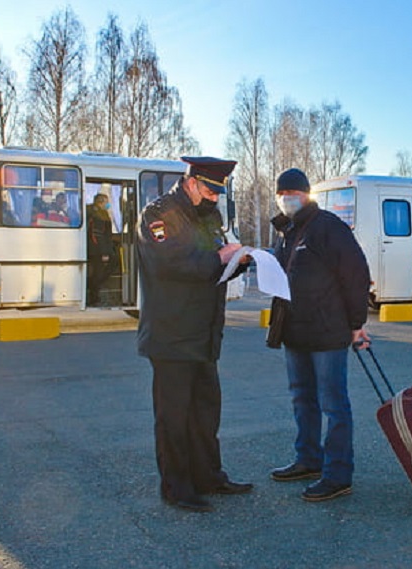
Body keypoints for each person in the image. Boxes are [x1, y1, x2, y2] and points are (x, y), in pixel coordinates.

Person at [135, 156, 252, 513]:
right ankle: (177, 487)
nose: (215, 198)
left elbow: (210, 270)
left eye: (219, 192)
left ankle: (208, 477)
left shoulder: (208, 216)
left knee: (205, 412)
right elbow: (173, 264)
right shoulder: (159, 215)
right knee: (174, 416)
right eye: (209, 190)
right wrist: (220, 258)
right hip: (171, 334)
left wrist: (236, 262)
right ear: (190, 182)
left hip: (202, 334)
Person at [268, 168, 371, 502]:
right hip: (295, 332)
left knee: (333, 404)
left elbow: (356, 275)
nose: (286, 200)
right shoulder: (286, 231)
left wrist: (356, 324)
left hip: (327, 333)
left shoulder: (328, 227)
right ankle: (308, 459)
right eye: (281, 194)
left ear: (306, 194)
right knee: (302, 399)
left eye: (292, 194)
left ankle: (338, 474)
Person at [86, 194, 114, 306]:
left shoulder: (95, 212)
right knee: (98, 273)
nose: (108, 204)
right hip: (97, 250)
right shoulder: (98, 215)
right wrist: (104, 252)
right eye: (106, 202)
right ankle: (93, 296)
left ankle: (93, 292)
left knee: (97, 273)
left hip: (94, 249)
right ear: (100, 202)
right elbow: (99, 235)